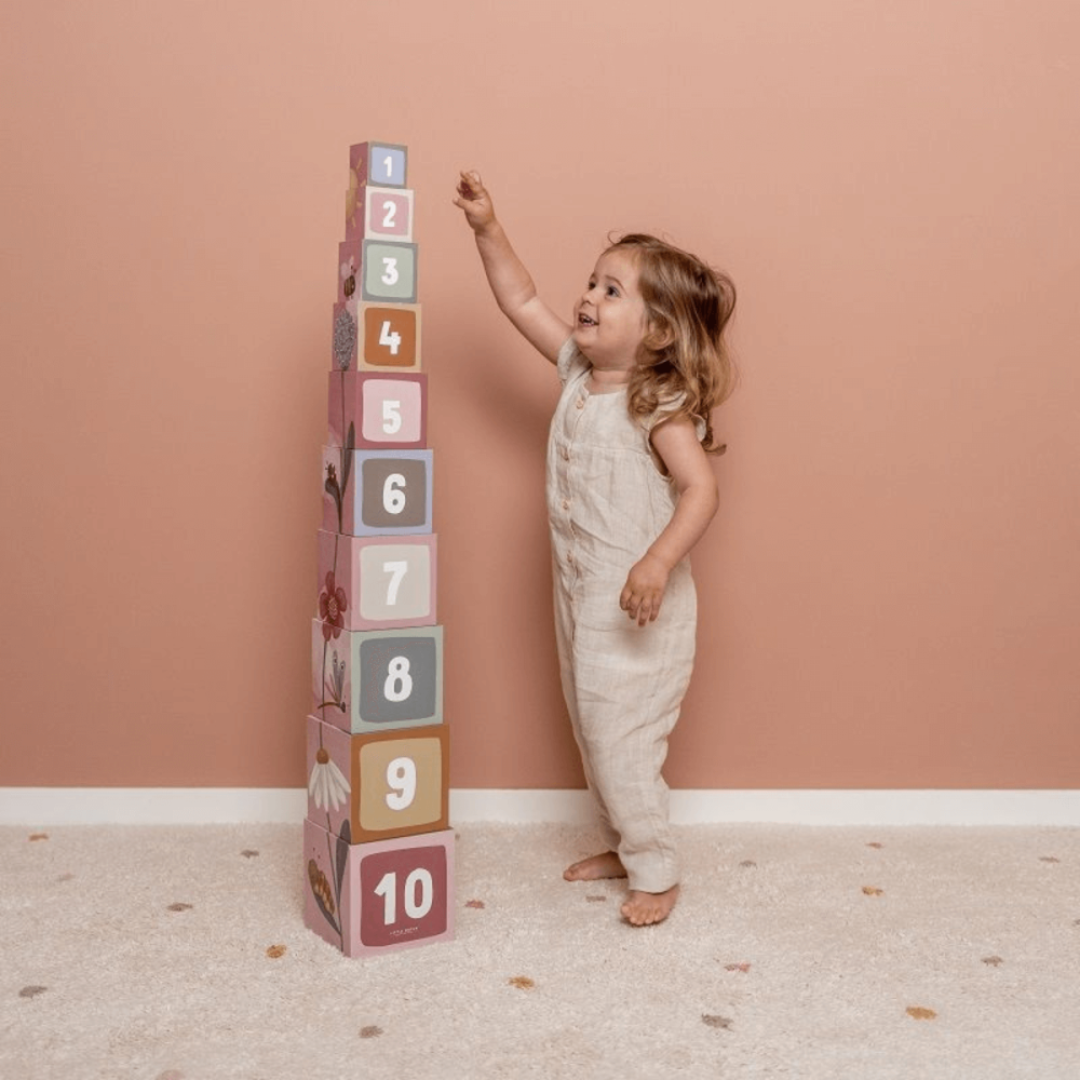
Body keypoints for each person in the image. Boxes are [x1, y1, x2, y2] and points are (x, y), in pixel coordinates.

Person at [454, 170, 736, 926]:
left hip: (639, 606)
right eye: (592, 282)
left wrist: (656, 562)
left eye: (614, 292)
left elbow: (701, 491)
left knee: (622, 734)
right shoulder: (579, 373)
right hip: (582, 595)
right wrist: (487, 227)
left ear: (659, 332)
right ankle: (626, 839)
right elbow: (519, 300)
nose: (589, 297)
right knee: (592, 728)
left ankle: (657, 868)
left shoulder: (658, 407)